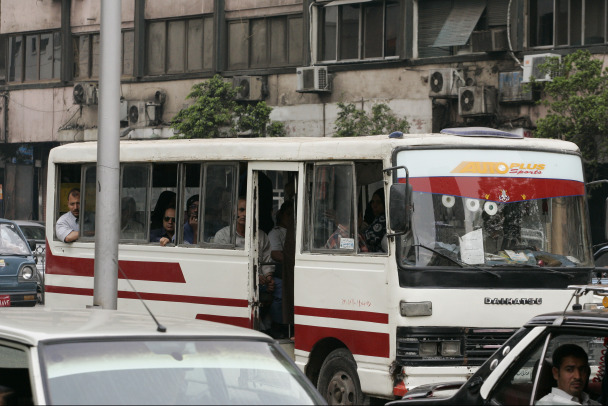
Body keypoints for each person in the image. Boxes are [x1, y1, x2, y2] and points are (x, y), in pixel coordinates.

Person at [214, 197, 275, 329]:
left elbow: (267, 260)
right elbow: (223, 267)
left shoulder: (261, 236)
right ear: (234, 212)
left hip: (260, 281)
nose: (244, 214)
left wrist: (269, 277)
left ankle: (274, 328)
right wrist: (253, 277)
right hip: (232, 281)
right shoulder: (223, 235)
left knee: (278, 288)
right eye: (241, 210)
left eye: (248, 210)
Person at [267, 201, 294, 338]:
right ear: (281, 215)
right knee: (281, 291)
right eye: (288, 214)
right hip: (279, 272)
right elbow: (276, 254)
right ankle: (279, 325)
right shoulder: (275, 233)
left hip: (292, 272)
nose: (290, 218)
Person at [362, 188, 386, 252]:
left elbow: (369, 238)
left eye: (378, 202)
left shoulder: (383, 219)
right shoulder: (375, 218)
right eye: (373, 202)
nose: (374, 205)